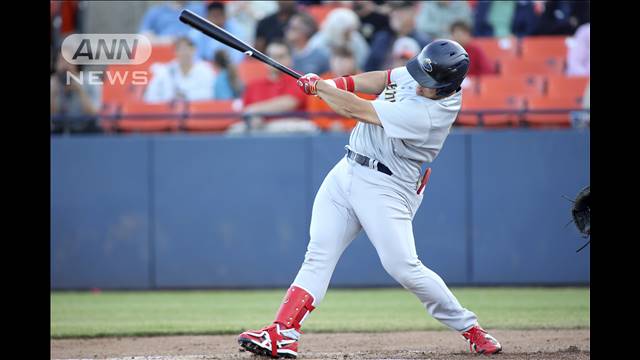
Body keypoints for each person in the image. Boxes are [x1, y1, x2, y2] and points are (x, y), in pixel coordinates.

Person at [237, 39, 502, 358]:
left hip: (386, 186)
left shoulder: (430, 114)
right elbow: (384, 78)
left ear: (448, 87)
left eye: (429, 84)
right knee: (318, 253)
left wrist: (321, 88)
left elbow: (355, 108)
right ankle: (284, 332)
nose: (419, 84)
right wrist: (335, 83)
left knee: (403, 267)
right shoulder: (423, 74)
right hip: (347, 168)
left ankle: (470, 328)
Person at [228, 41, 315, 134]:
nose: (275, 61)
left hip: (289, 128)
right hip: (260, 128)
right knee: (235, 130)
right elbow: (246, 112)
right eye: (271, 56)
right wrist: (254, 117)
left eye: (280, 57)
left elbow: (289, 103)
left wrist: (254, 110)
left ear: (290, 59)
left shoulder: (299, 78)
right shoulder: (254, 85)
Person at [144, 36, 215, 103]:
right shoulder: (165, 71)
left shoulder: (205, 70)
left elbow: (210, 94)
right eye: (181, 49)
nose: (185, 53)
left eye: (188, 48)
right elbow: (151, 96)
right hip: (169, 113)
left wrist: (186, 96)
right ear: (175, 52)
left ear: (194, 50)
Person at [364, 1, 430, 71]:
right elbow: (368, 68)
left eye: (401, 11)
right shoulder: (382, 37)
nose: (395, 14)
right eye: (393, 10)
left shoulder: (422, 41)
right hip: (382, 79)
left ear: (413, 13)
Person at [51, 49, 102, 133]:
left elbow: (93, 114)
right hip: (60, 129)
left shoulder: (90, 81)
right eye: (61, 60)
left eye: (68, 60)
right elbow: (53, 116)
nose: (65, 65)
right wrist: (53, 94)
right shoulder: (53, 83)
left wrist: (80, 91)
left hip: (86, 128)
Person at [138, 1, 206, 43]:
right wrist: (166, 41)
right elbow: (143, 38)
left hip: (194, 53)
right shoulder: (156, 12)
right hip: (164, 52)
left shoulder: (200, 9)